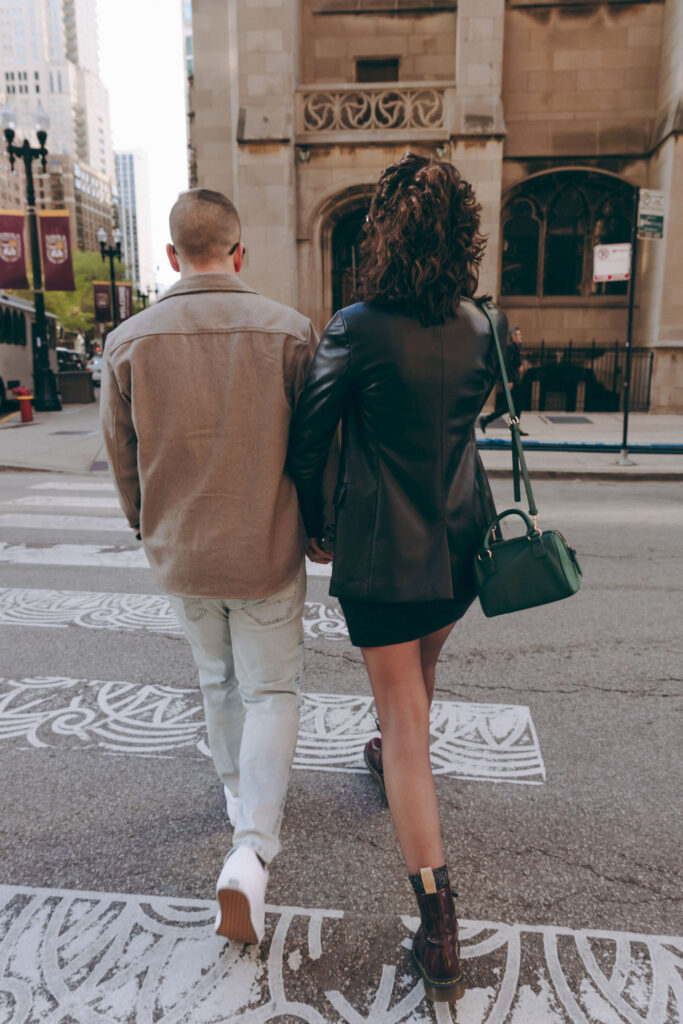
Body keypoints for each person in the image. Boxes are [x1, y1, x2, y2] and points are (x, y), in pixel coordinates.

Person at [288, 152, 507, 1004]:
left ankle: (438, 924)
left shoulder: (356, 325)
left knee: (405, 720)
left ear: (382, 233)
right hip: (460, 544)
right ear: (462, 237)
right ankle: (386, 752)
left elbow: (311, 436)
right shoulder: (482, 325)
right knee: (420, 677)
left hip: (384, 554)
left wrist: (316, 524)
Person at [101, 188, 319, 947]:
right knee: (270, 690)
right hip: (266, 545)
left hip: (182, 550)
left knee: (216, 680)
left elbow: (121, 454)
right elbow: (314, 446)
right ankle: (251, 847)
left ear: (171, 255)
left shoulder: (128, 340)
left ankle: (236, 800)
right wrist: (318, 528)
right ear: (238, 250)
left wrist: (144, 523)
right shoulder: (290, 332)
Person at [479, 325, 528, 435]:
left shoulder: (516, 347)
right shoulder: (511, 348)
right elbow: (505, 365)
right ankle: (486, 420)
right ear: (513, 336)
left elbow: (517, 364)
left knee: (515, 407)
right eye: (518, 335)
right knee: (510, 407)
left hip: (515, 381)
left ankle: (513, 427)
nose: (520, 336)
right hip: (512, 382)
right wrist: (509, 380)